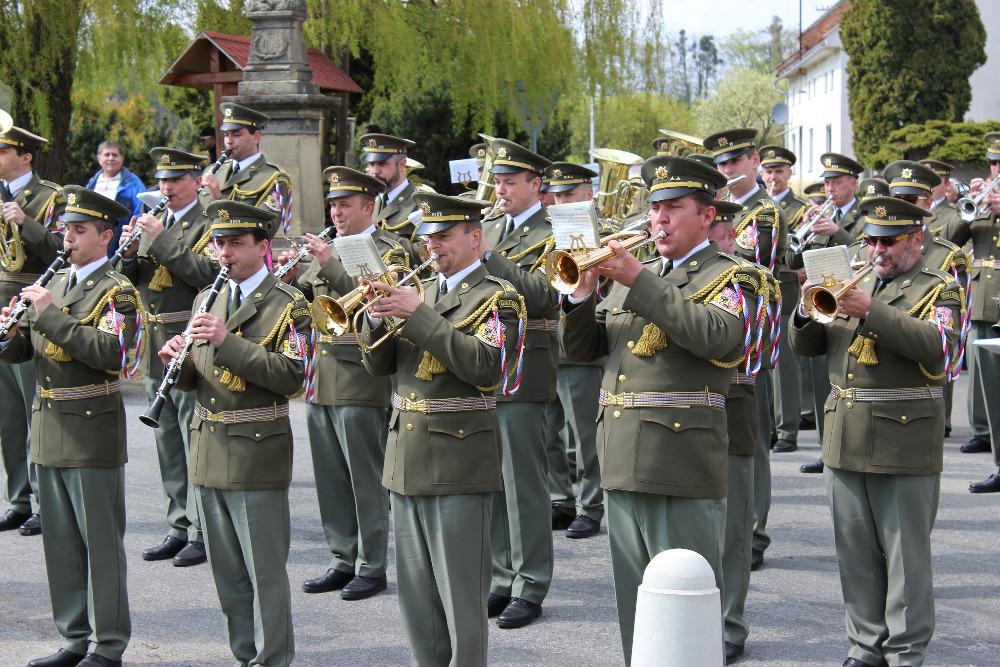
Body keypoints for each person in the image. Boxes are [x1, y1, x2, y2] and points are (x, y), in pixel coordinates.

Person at [562, 155, 761, 664]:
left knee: (683, 606)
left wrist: (638, 281)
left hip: (678, 460)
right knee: (637, 608)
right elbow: (584, 350)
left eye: (674, 208)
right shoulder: (641, 274)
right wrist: (580, 297)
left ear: (707, 215)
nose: (659, 219)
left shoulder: (734, 276)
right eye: (654, 209)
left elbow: (718, 338)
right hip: (621, 456)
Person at [789, 195, 961, 667]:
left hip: (904, 437)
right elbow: (808, 346)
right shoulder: (852, 279)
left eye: (889, 241)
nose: (877, 250)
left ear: (916, 240)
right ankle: (865, 645)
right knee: (855, 551)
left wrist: (870, 310)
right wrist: (805, 310)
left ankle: (905, 651)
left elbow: (938, 347)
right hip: (844, 433)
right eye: (870, 240)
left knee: (905, 556)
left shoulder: (940, 288)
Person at [360, 192, 523, 666]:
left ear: (475, 238)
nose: (432, 246)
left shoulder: (498, 296)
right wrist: (373, 319)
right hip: (405, 458)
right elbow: (379, 366)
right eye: (428, 238)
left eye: (445, 236)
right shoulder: (422, 290)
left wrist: (418, 315)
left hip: (458, 461)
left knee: (459, 599)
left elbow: (488, 368)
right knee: (417, 599)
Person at [159, 200, 310, 667]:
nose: (225, 253)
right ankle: (245, 655)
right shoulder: (207, 297)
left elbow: (292, 377)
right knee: (227, 575)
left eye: (237, 244)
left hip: (256, 452)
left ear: (263, 247)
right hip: (207, 447)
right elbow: (200, 375)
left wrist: (227, 341)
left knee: (264, 573)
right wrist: (178, 363)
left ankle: (272, 658)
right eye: (220, 243)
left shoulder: (289, 304)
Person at [1, 185, 138, 667]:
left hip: (91, 427)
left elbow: (112, 354)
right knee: (59, 543)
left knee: (99, 543)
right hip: (48, 425)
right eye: (66, 230)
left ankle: (108, 644)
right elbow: (31, 351)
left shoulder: (117, 290)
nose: (69, 239)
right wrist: (11, 335)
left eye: (79, 231)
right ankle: (74, 638)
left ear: (106, 237)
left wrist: (49, 316)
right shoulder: (54, 282)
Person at [278, 166, 417, 600]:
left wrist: (329, 263)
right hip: (321, 378)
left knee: (365, 477)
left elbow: (381, 299)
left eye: (345, 205)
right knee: (331, 478)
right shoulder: (328, 247)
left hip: (362, 375)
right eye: (333, 205)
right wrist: (287, 283)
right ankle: (342, 558)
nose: (336, 213)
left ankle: (371, 565)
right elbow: (308, 305)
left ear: (368, 207)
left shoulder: (390, 248)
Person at [118, 147, 217, 567]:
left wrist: (161, 239)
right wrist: (127, 254)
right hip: (154, 340)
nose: (167, 188)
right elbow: (130, 281)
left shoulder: (210, 222)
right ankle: (177, 525)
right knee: (167, 442)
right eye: (162, 181)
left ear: (196, 181)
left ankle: (201, 530)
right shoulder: (155, 220)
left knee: (193, 437)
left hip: (187, 338)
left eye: (176, 180)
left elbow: (208, 275)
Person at [479, 138, 559, 628]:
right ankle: (502, 576)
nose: (501, 190)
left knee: (524, 483)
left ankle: (530, 584)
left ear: (536, 184)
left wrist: (488, 256)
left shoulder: (555, 231)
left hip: (526, 366)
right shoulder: (487, 226)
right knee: (492, 479)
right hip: (481, 364)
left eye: (510, 182)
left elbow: (545, 295)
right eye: (498, 182)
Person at [703, 128, 786, 573]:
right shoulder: (714, 205)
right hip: (714, 332)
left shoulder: (765, 211)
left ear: (754, 161)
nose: (726, 170)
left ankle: (754, 532)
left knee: (751, 443)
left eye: (734, 162)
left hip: (750, 334)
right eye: (720, 164)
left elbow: (759, 266)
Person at [707, 199, 770, 665]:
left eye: (714, 238)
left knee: (730, 532)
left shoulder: (749, 280)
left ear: (731, 237)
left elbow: (745, 345)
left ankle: (728, 624)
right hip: (674, 417)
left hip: (731, 406)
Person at [0, 125, 65, 536]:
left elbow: (65, 251)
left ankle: (42, 502)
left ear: (25, 156)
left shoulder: (50, 197)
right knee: (7, 417)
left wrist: (26, 223)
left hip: (28, 310)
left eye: (2, 150)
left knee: (33, 410)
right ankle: (18, 499)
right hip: (0, 312)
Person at [883, 160, 971, 440]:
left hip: (919, 357)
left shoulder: (948, 255)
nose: (902, 205)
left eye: (911, 200)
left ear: (929, 203)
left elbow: (946, 332)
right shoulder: (869, 246)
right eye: (896, 198)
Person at [542, 161, 604, 539]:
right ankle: (560, 500)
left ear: (589, 194)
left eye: (569, 194)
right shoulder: (549, 238)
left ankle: (591, 506)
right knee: (549, 431)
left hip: (582, 350)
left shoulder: (605, 235)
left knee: (585, 434)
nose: (562, 202)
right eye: (557, 196)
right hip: (547, 346)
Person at [942, 132, 1000, 489]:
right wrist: (967, 205)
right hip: (983, 294)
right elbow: (951, 240)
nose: (996, 168)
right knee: (983, 375)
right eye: (993, 162)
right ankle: (985, 436)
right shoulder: (984, 198)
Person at [760, 145, 809, 455]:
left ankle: (787, 430)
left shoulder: (801, 208)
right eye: (768, 171)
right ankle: (767, 426)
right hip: (757, 290)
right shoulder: (753, 205)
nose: (773, 177)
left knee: (785, 365)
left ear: (789, 173)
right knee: (760, 360)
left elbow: (797, 256)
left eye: (779, 171)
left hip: (786, 290)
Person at [199, 102, 292, 230]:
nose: (229, 141)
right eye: (226, 135)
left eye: (236, 134)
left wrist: (218, 201)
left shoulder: (274, 179)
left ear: (256, 137)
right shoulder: (212, 171)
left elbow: (263, 231)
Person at [84, 141, 145, 258]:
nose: (111, 158)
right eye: (107, 155)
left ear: (122, 158)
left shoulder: (134, 183)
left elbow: (141, 212)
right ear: (99, 159)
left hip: (120, 243)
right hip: (92, 242)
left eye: (115, 155)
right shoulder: (92, 183)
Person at [360, 133, 419, 242]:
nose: (375, 171)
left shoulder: (420, 204)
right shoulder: (368, 202)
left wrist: (378, 234)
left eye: (382, 164)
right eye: (372, 164)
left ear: (401, 165)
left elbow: (425, 250)